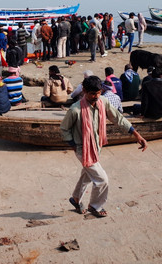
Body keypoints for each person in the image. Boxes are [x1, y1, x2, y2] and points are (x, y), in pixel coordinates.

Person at [60, 75, 147, 218]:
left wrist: (136, 134)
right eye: (92, 93)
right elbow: (64, 129)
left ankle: (75, 199)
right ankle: (95, 206)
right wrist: (74, 146)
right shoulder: (75, 110)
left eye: (98, 93)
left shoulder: (103, 102)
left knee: (88, 175)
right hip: (83, 149)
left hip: (96, 146)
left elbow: (117, 118)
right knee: (102, 179)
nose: (96, 96)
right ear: (84, 91)